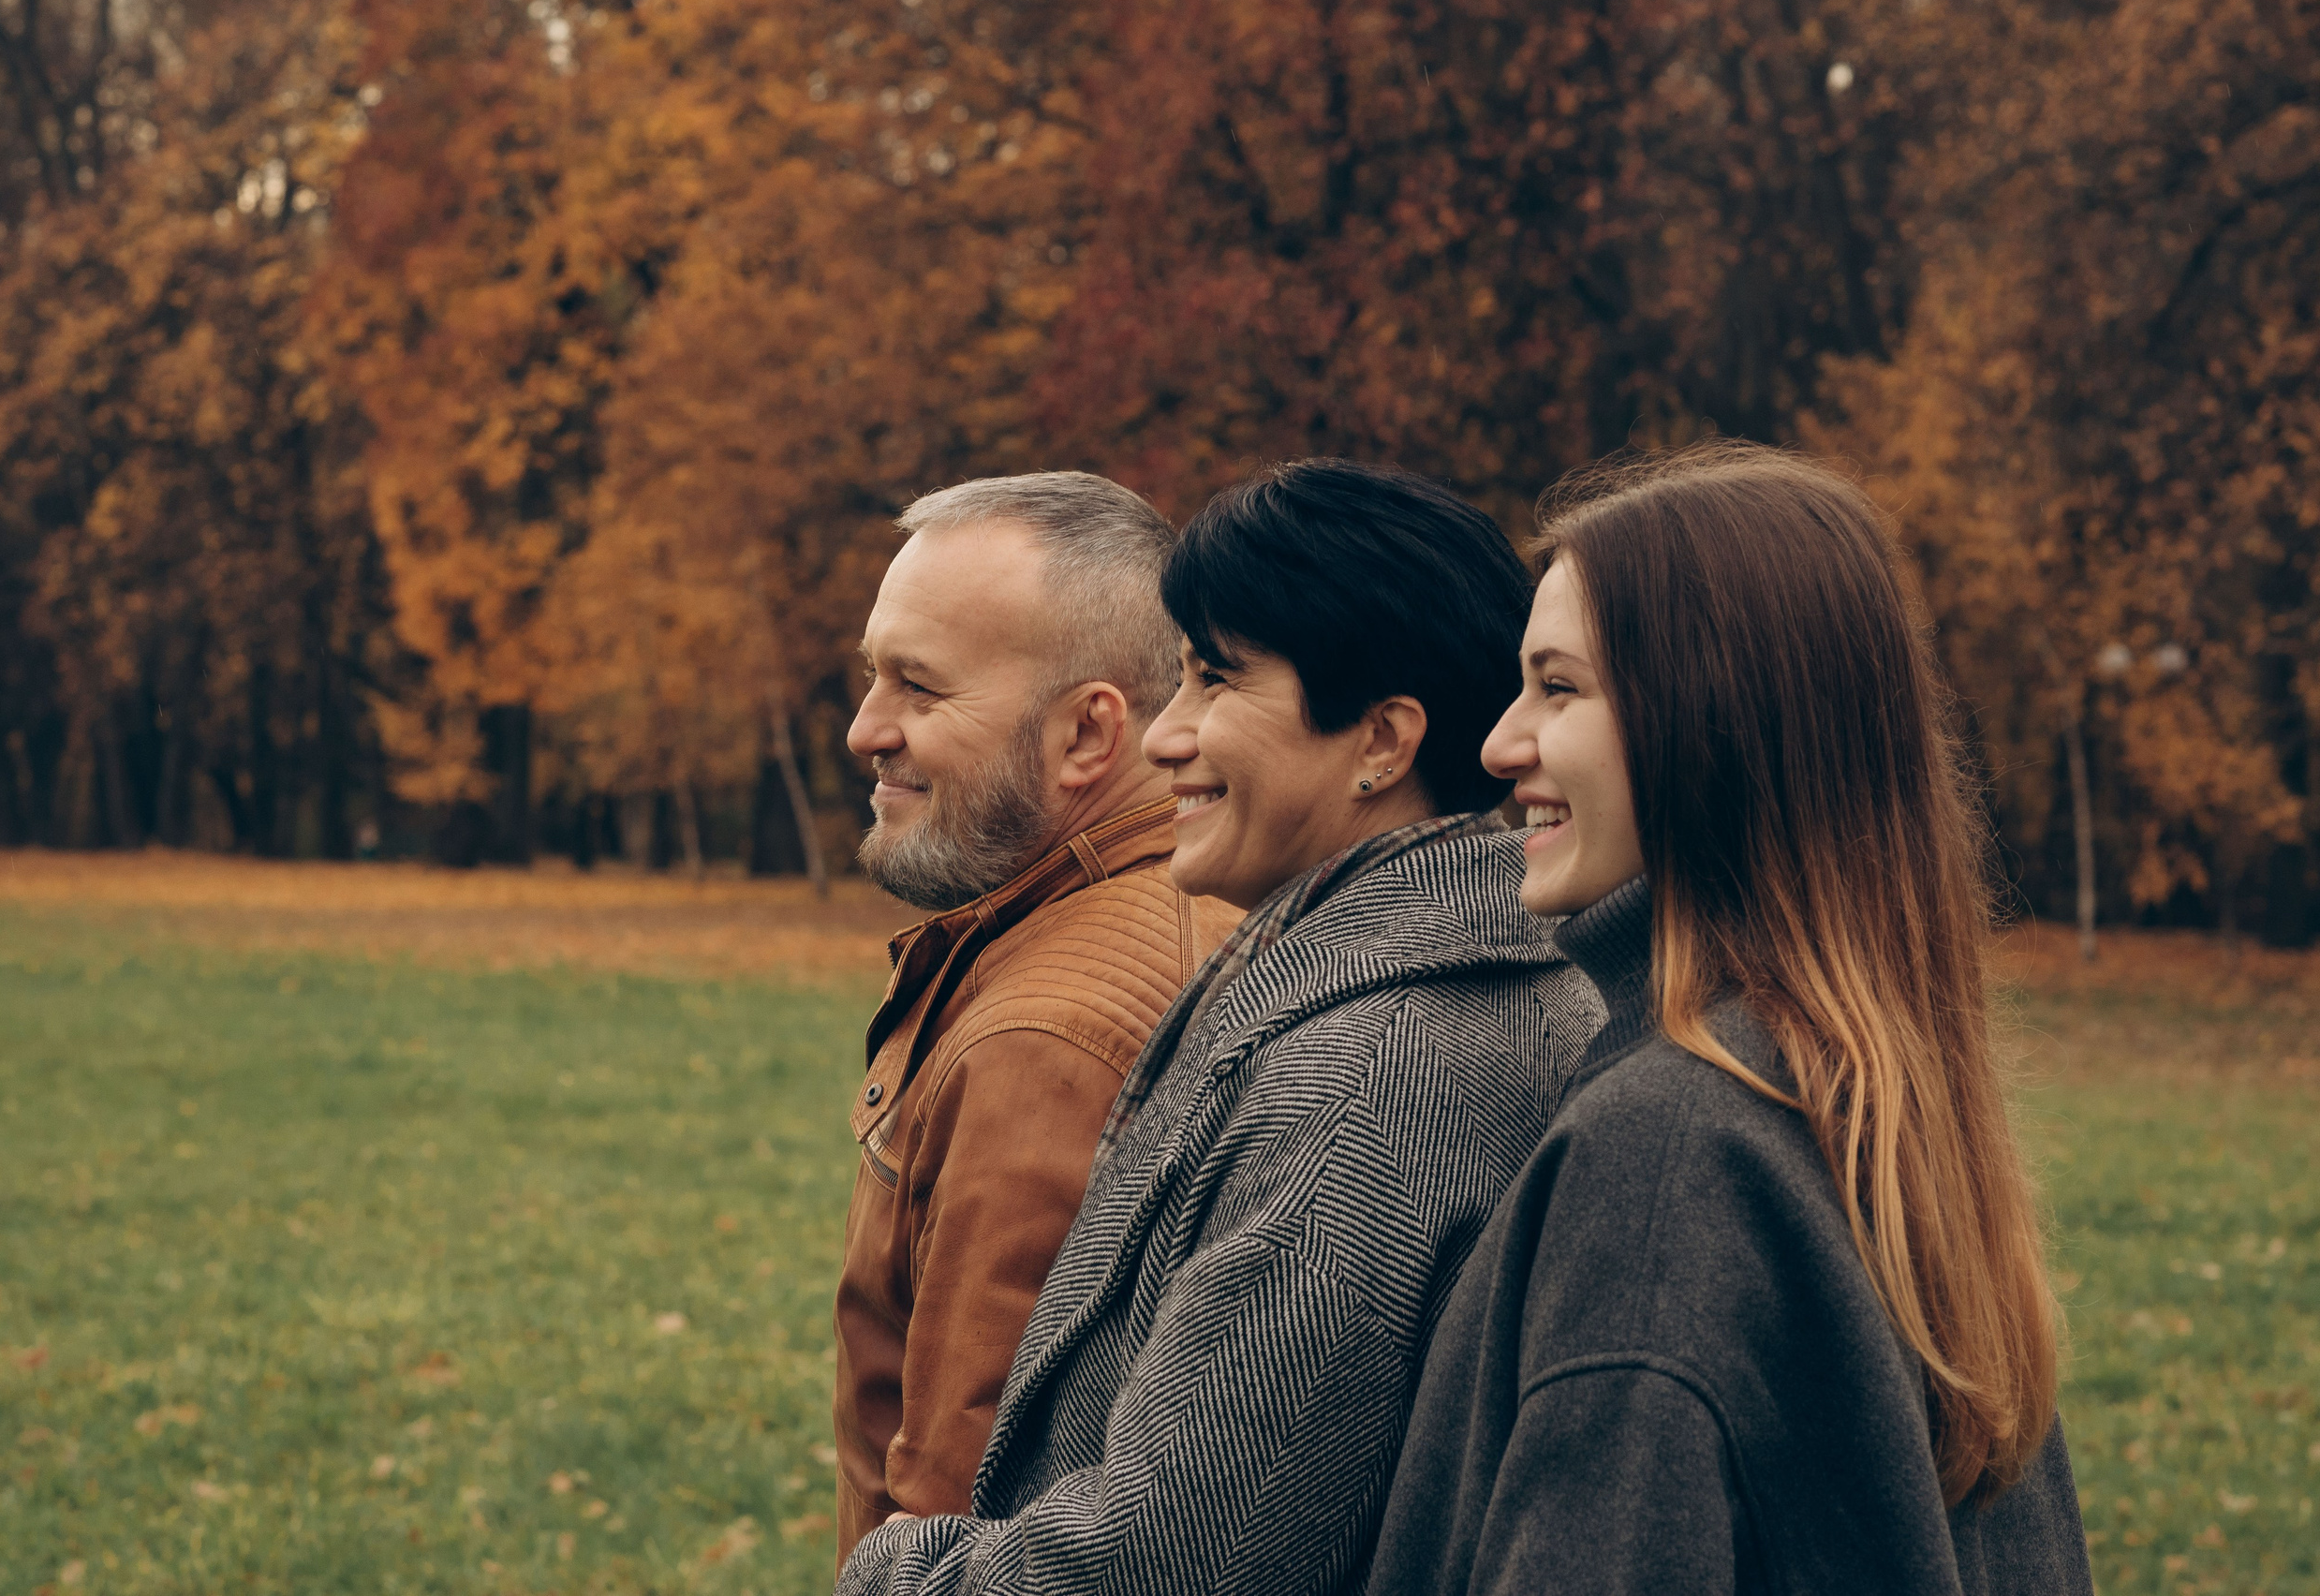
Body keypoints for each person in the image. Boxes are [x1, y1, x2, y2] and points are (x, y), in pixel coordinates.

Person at [838, 458, 1603, 1596]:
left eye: (1214, 681)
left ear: (1383, 742)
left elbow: (1174, 1559)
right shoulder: (1361, 986)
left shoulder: (1375, 1074)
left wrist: (889, 1574)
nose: (1165, 735)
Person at [1367, 444, 2093, 1595]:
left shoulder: (1663, 1149)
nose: (1501, 745)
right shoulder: (1872, 1101)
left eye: (1557, 688)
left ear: (1708, 718)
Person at [834, 472, 1239, 1564]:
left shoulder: (1043, 1043)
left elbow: (965, 1517)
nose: (867, 728)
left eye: (918, 687)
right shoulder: (1208, 895)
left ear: (1084, 733)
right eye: (871, 675)